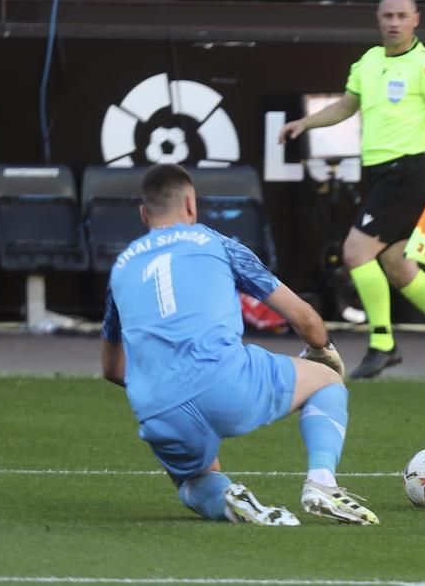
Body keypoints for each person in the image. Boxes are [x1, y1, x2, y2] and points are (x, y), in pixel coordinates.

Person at [100, 163, 379, 526]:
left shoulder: (122, 266)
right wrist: (323, 356)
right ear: (191, 204)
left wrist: (168, 384)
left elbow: (112, 369)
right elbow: (305, 318)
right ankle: (322, 483)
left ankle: (231, 500)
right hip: (226, 383)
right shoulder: (215, 242)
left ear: (143, 214)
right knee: (326, 381)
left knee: (194, 480)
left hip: (157, 408)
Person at [279, 0, 425, 381]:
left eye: (401, 16)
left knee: (356, 252)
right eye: (387, 16)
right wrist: (305, 123)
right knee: (397, 265)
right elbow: (345, 106)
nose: (393, 23)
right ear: (378, 19)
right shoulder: (368, 62)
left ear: (415, 19)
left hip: (407, 173)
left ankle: (382, 344)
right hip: (378, 173)